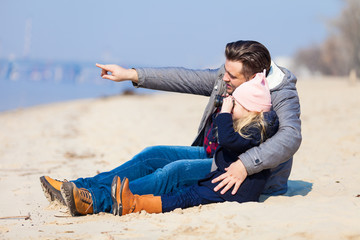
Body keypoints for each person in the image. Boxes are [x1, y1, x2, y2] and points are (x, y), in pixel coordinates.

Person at [40, 40, 301, 216]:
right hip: (217, 153)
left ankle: (94, 201)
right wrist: (132, 74)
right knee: (152, 155)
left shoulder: (282, 93)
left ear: (256, 78)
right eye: (225, 71)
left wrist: (246, 164)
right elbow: (184, 77)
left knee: (173, 172)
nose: (224, 79)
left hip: (244, 173)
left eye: (231, 76)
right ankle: (77, 186)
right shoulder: (230, 77)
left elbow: (291, 137)